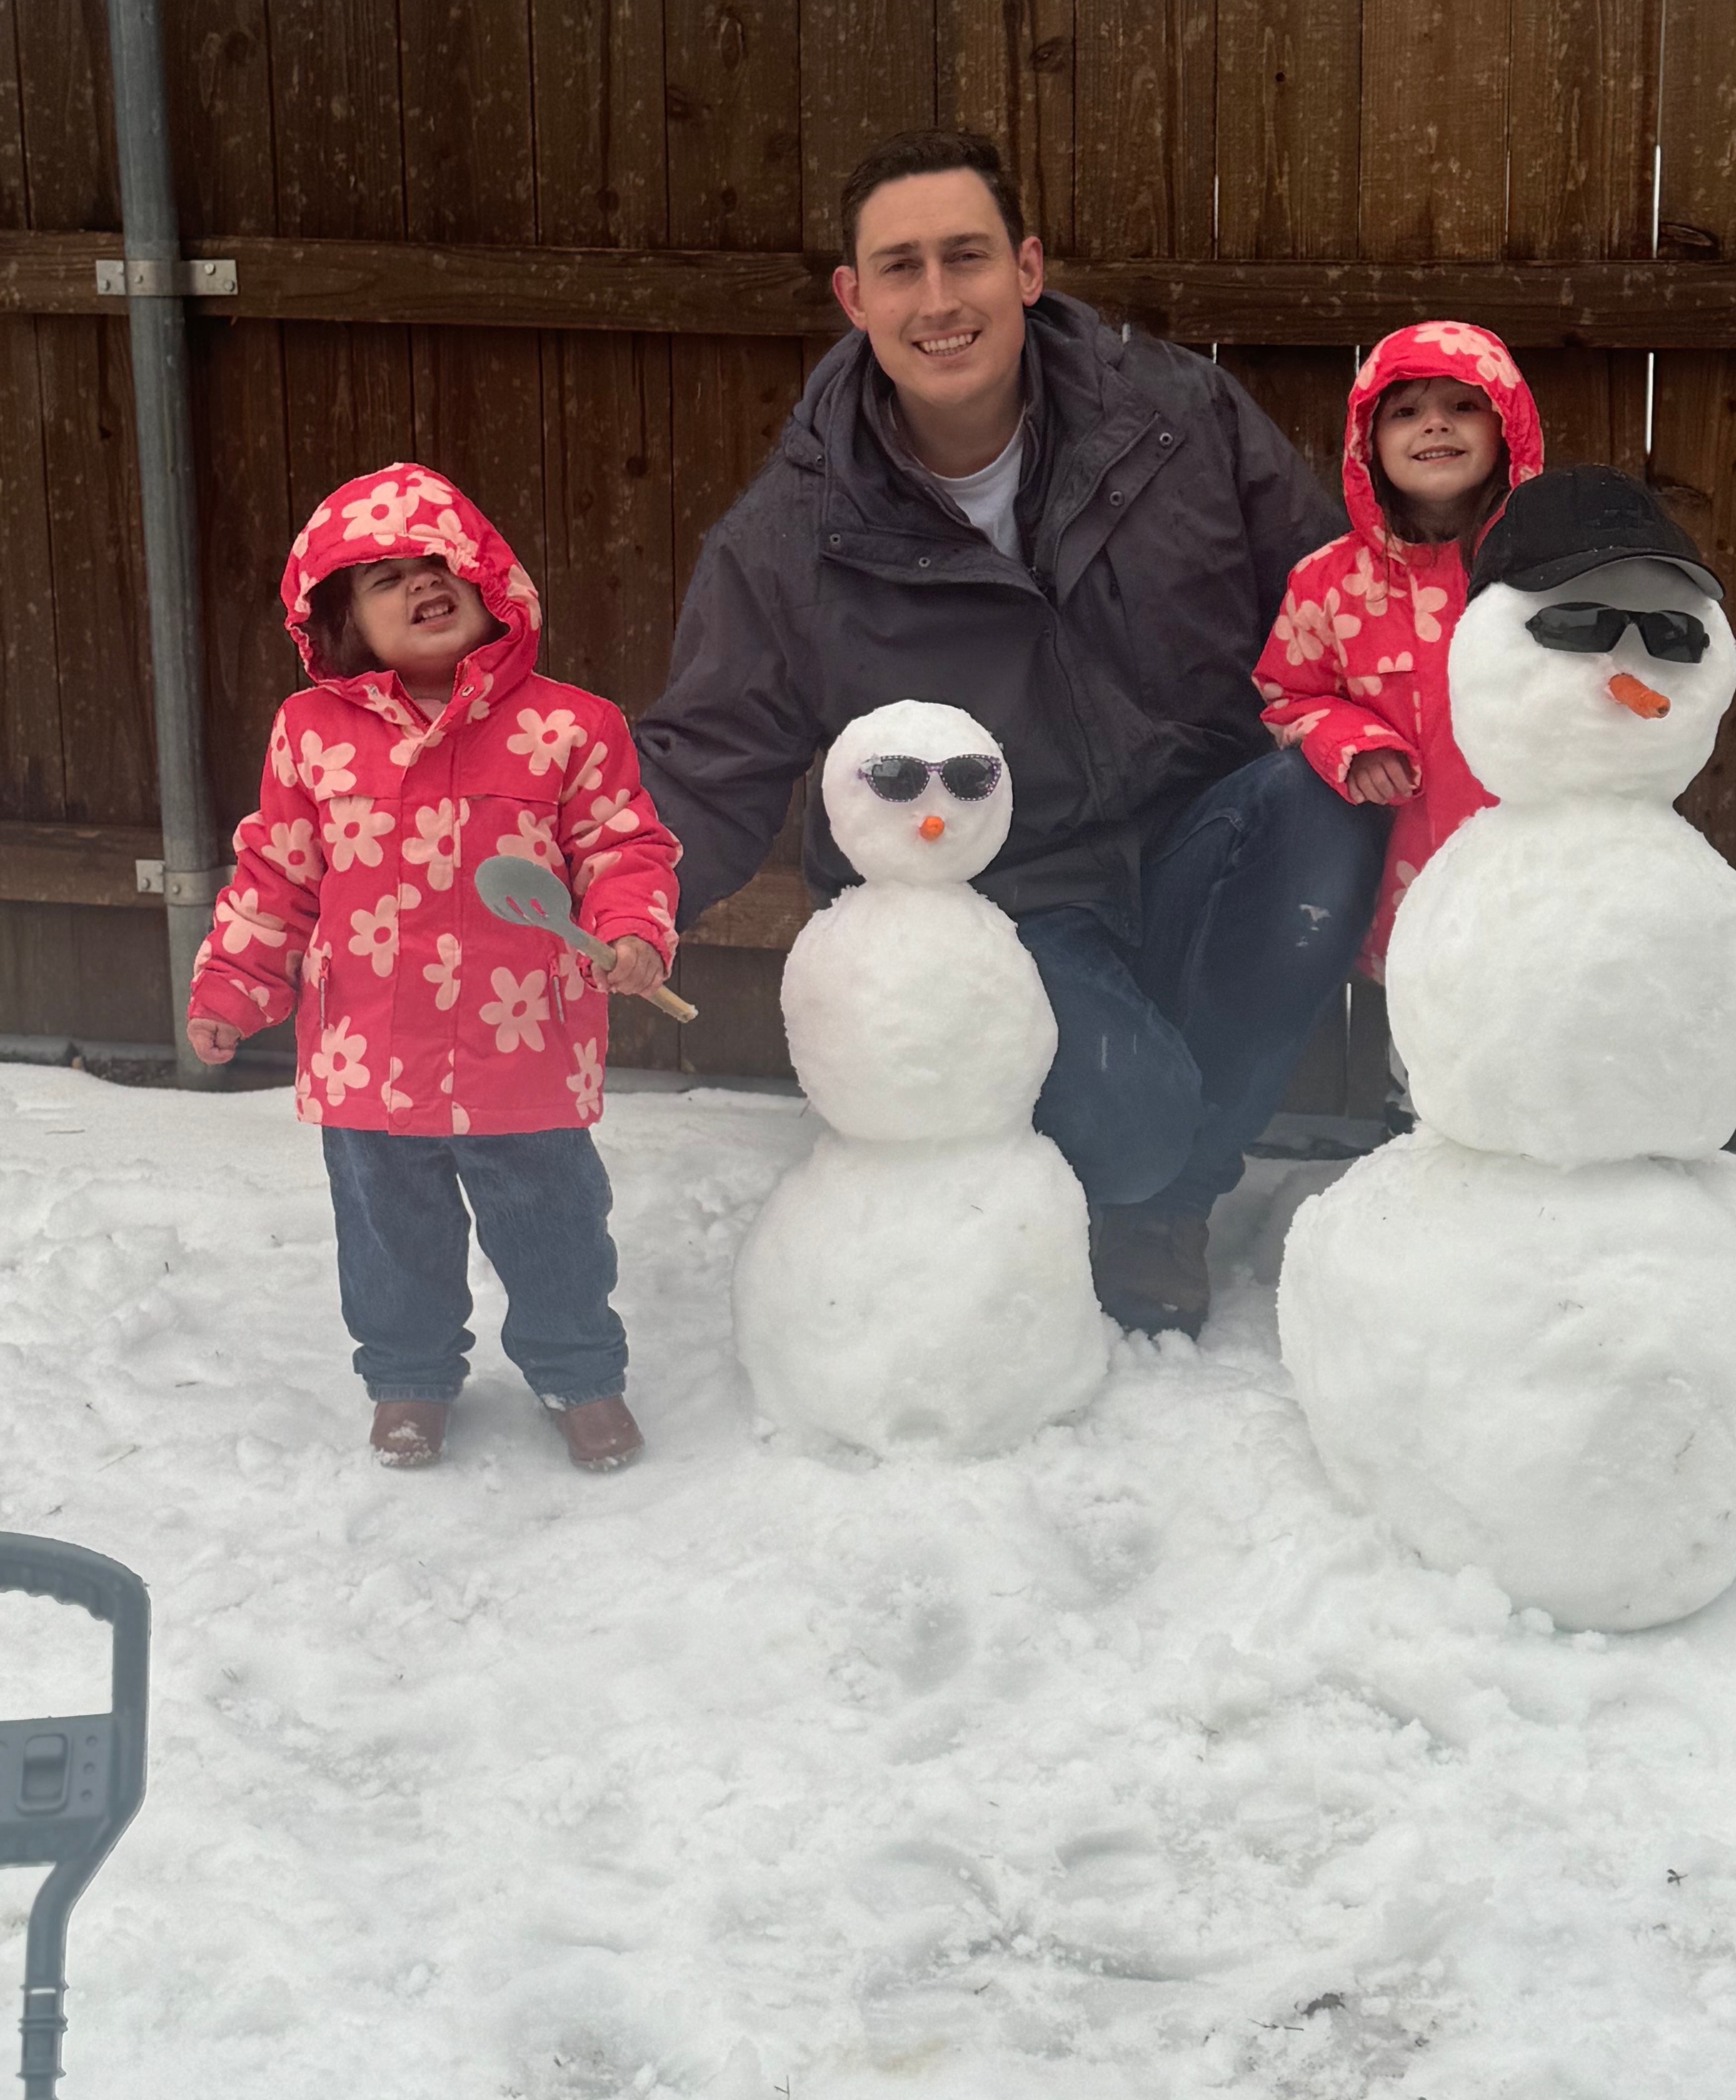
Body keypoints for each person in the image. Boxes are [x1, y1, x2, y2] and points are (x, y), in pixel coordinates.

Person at [635, 128, 1388, 1340]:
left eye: (967, 257)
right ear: (853, 297)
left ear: (1027, 270)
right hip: (1007, 901)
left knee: (1336, 791)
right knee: (1130, 1125)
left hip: (1197, 836)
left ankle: (1170, 1206)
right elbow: (706, 762)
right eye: (901, 268)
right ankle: (1136, 1159)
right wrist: (604, 901)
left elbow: (1337, 618)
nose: (940, 300)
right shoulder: (790, 536)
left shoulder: (1180, 422)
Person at [185, 466, 681, 1473]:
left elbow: (624, 849)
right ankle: (407, 1378)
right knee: (390, 1241)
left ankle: (577, 1371)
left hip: (527, 1045)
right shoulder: (310, 734)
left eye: (437, 564)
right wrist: (235, 983)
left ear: (491, 581)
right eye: (384, 579)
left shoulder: (571, 727)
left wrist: (630, 929)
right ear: (339, 621)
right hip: (370, 1052)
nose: (420, 587)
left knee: (555, 1231)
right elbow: (277, 874)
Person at [1253, 325, 1545, 1080]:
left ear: (1508, 428)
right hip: (1405, 863)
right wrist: (1352, 741)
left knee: (1540, 1019)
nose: (1435, 425)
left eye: (1462, 406)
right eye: (1406, 412)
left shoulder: (1547, 570)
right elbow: (1289, 695)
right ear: (1368, 441)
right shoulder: (1329, 583)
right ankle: (1415, 1142)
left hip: (1533, 857)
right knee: (1426, 1035)